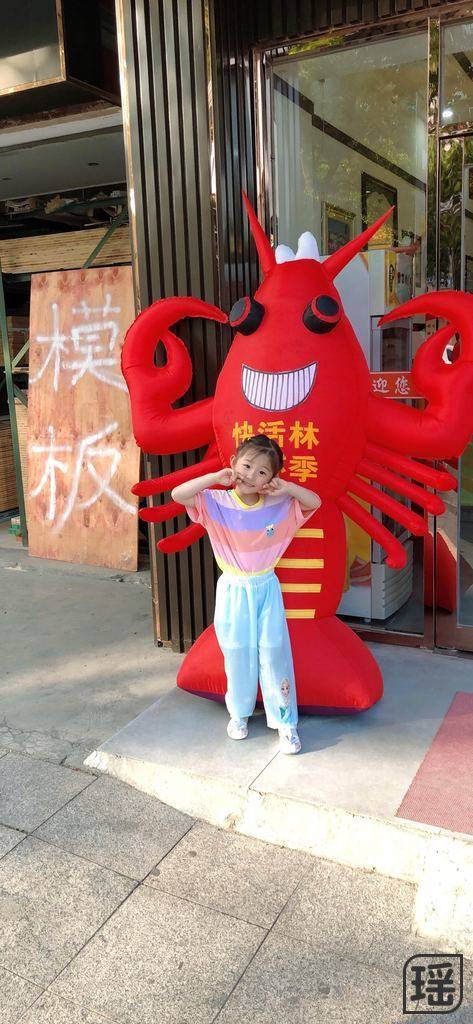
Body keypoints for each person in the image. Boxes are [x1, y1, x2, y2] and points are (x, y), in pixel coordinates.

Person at [171, 434, 321, 754]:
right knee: (237, 652)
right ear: (234, 462)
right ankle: (239, 714)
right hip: (233, 589)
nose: (251, 475)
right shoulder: (215, 501)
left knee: (273, 652)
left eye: (262, 472)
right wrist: (215, 477)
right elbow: (177, 494)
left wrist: (287, 488)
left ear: (271, 478)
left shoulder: (279, 505)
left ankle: (285, 722)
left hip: (266, 586)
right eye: (247, 465)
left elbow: (314, 502)